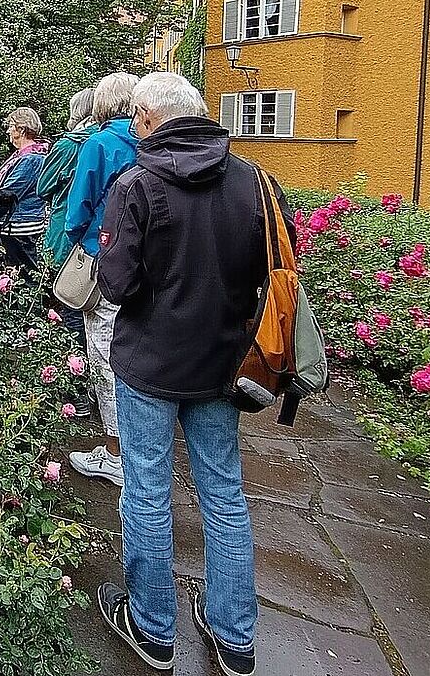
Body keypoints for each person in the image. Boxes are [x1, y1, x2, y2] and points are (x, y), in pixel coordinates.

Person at [94, 72, 292, 676]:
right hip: (224, 363)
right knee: (224, 493)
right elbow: (276, 266)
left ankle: (153, 629)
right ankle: (235, 637)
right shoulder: (256, 181)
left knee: (147, 489)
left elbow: (116, 284)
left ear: (149, 119)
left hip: (150, 364)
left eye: (136, 118)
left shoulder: (136, 184)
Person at [64, 73, 139, 485]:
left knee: (104, 352)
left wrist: (77, 240)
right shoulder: (152, 141)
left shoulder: (100, 143)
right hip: (147, 262)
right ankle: (140, 442)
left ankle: (115, 453)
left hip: (104, 257)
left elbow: (79, 206)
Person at [36, 87, 97, 415]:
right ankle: (98, 390)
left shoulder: (70, 145)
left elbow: (43, 186)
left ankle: (77, 390)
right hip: (107, 241)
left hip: (69, 236)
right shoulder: (126, 142)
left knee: (71, 309)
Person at [0, 107, 49, 274]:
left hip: (20, 226)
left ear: (22, 129)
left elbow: (9, 192)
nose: (8, 131)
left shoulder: (31, 159)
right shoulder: (26, 154)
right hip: (19, 222)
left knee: (23, 275)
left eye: (11, 126)